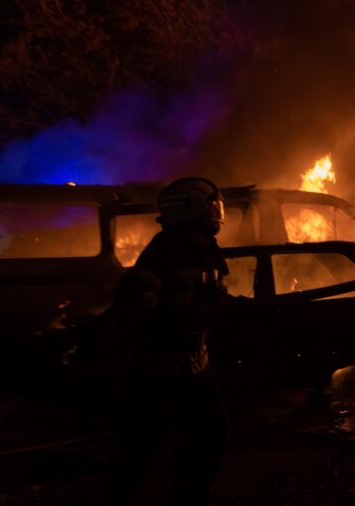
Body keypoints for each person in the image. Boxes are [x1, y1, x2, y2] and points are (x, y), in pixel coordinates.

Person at [106, 176, 231, 506]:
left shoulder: (204, 248)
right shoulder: (166, 251)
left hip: (196, 368)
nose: (217, 214)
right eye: (212, 207)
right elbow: (132, 299)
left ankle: (189, 497)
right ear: (197, 210)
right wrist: (175, 321)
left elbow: (210, 301)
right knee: (141, 450)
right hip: (158, 374)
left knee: (210, 437)